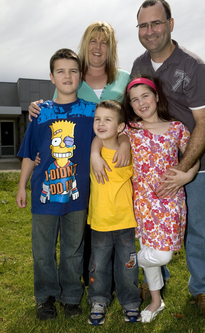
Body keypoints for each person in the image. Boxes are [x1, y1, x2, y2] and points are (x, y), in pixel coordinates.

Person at [130, 0, 205, 318]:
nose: (150, 30)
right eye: (143, 25)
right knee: (148, 228)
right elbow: (131, 112)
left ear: (170, 24)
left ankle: (202, 289)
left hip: (192, 164)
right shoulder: (139, 66)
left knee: (194, 228)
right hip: (151, 168)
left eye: (156, 23)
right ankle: (155, 283)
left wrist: (182, 172)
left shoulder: (195, 67)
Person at [28, 21, 131, 285]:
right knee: (83, 230)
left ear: (112, 47)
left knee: (118, 225)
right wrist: (35, 110)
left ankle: (125, 281)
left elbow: (130, 122)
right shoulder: (73, 77)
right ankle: (89, 281)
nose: (98, 47)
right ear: (85, 45)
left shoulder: (124, 78)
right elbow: (52, 119)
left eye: (104, 41)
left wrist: (126, 143)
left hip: (116, 166)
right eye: (93, 41)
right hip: (76, 171)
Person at [16, 48, 97, 320]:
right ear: (51, 77)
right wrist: (21, 186)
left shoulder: (91, 112)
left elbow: (114, 130)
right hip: (44, 195)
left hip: (77, 196)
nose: (67, 76)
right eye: (61, 71)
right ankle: (46, 297)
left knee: (73, 250)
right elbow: (30, 153)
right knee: (42, 252)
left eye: (73, 71)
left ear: (81, 76)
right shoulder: (40, 112)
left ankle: (71, 297)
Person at [87, 100, 141, 325]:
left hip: (125, 221)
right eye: (97, 119)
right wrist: (94, 154)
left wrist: (125, 142)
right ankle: (98, 300)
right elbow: (97, 139)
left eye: (107, 119)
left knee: (128, 266)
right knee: (98, 266)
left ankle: (130, 303)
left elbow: (125, 137)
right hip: (100, 222)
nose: (100, 123)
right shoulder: (93, 154)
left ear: (120, 127)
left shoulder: (128, 151)